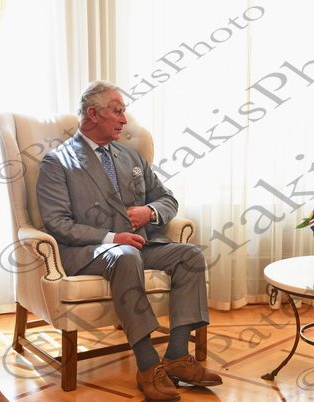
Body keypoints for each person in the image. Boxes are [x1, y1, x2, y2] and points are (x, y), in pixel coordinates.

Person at [37, 80, 222, 402]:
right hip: (88, 252)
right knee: (124, 254)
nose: (124, 120)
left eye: (124, 112)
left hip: (138, 246)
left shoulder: (130, 156)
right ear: (93, 114)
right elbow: (58, 223)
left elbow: (167, 198)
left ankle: (177, 356)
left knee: (190, 255)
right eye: (118, 111)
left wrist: (150, 212)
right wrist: (112, 237)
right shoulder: (58, 161)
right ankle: (148, 364)